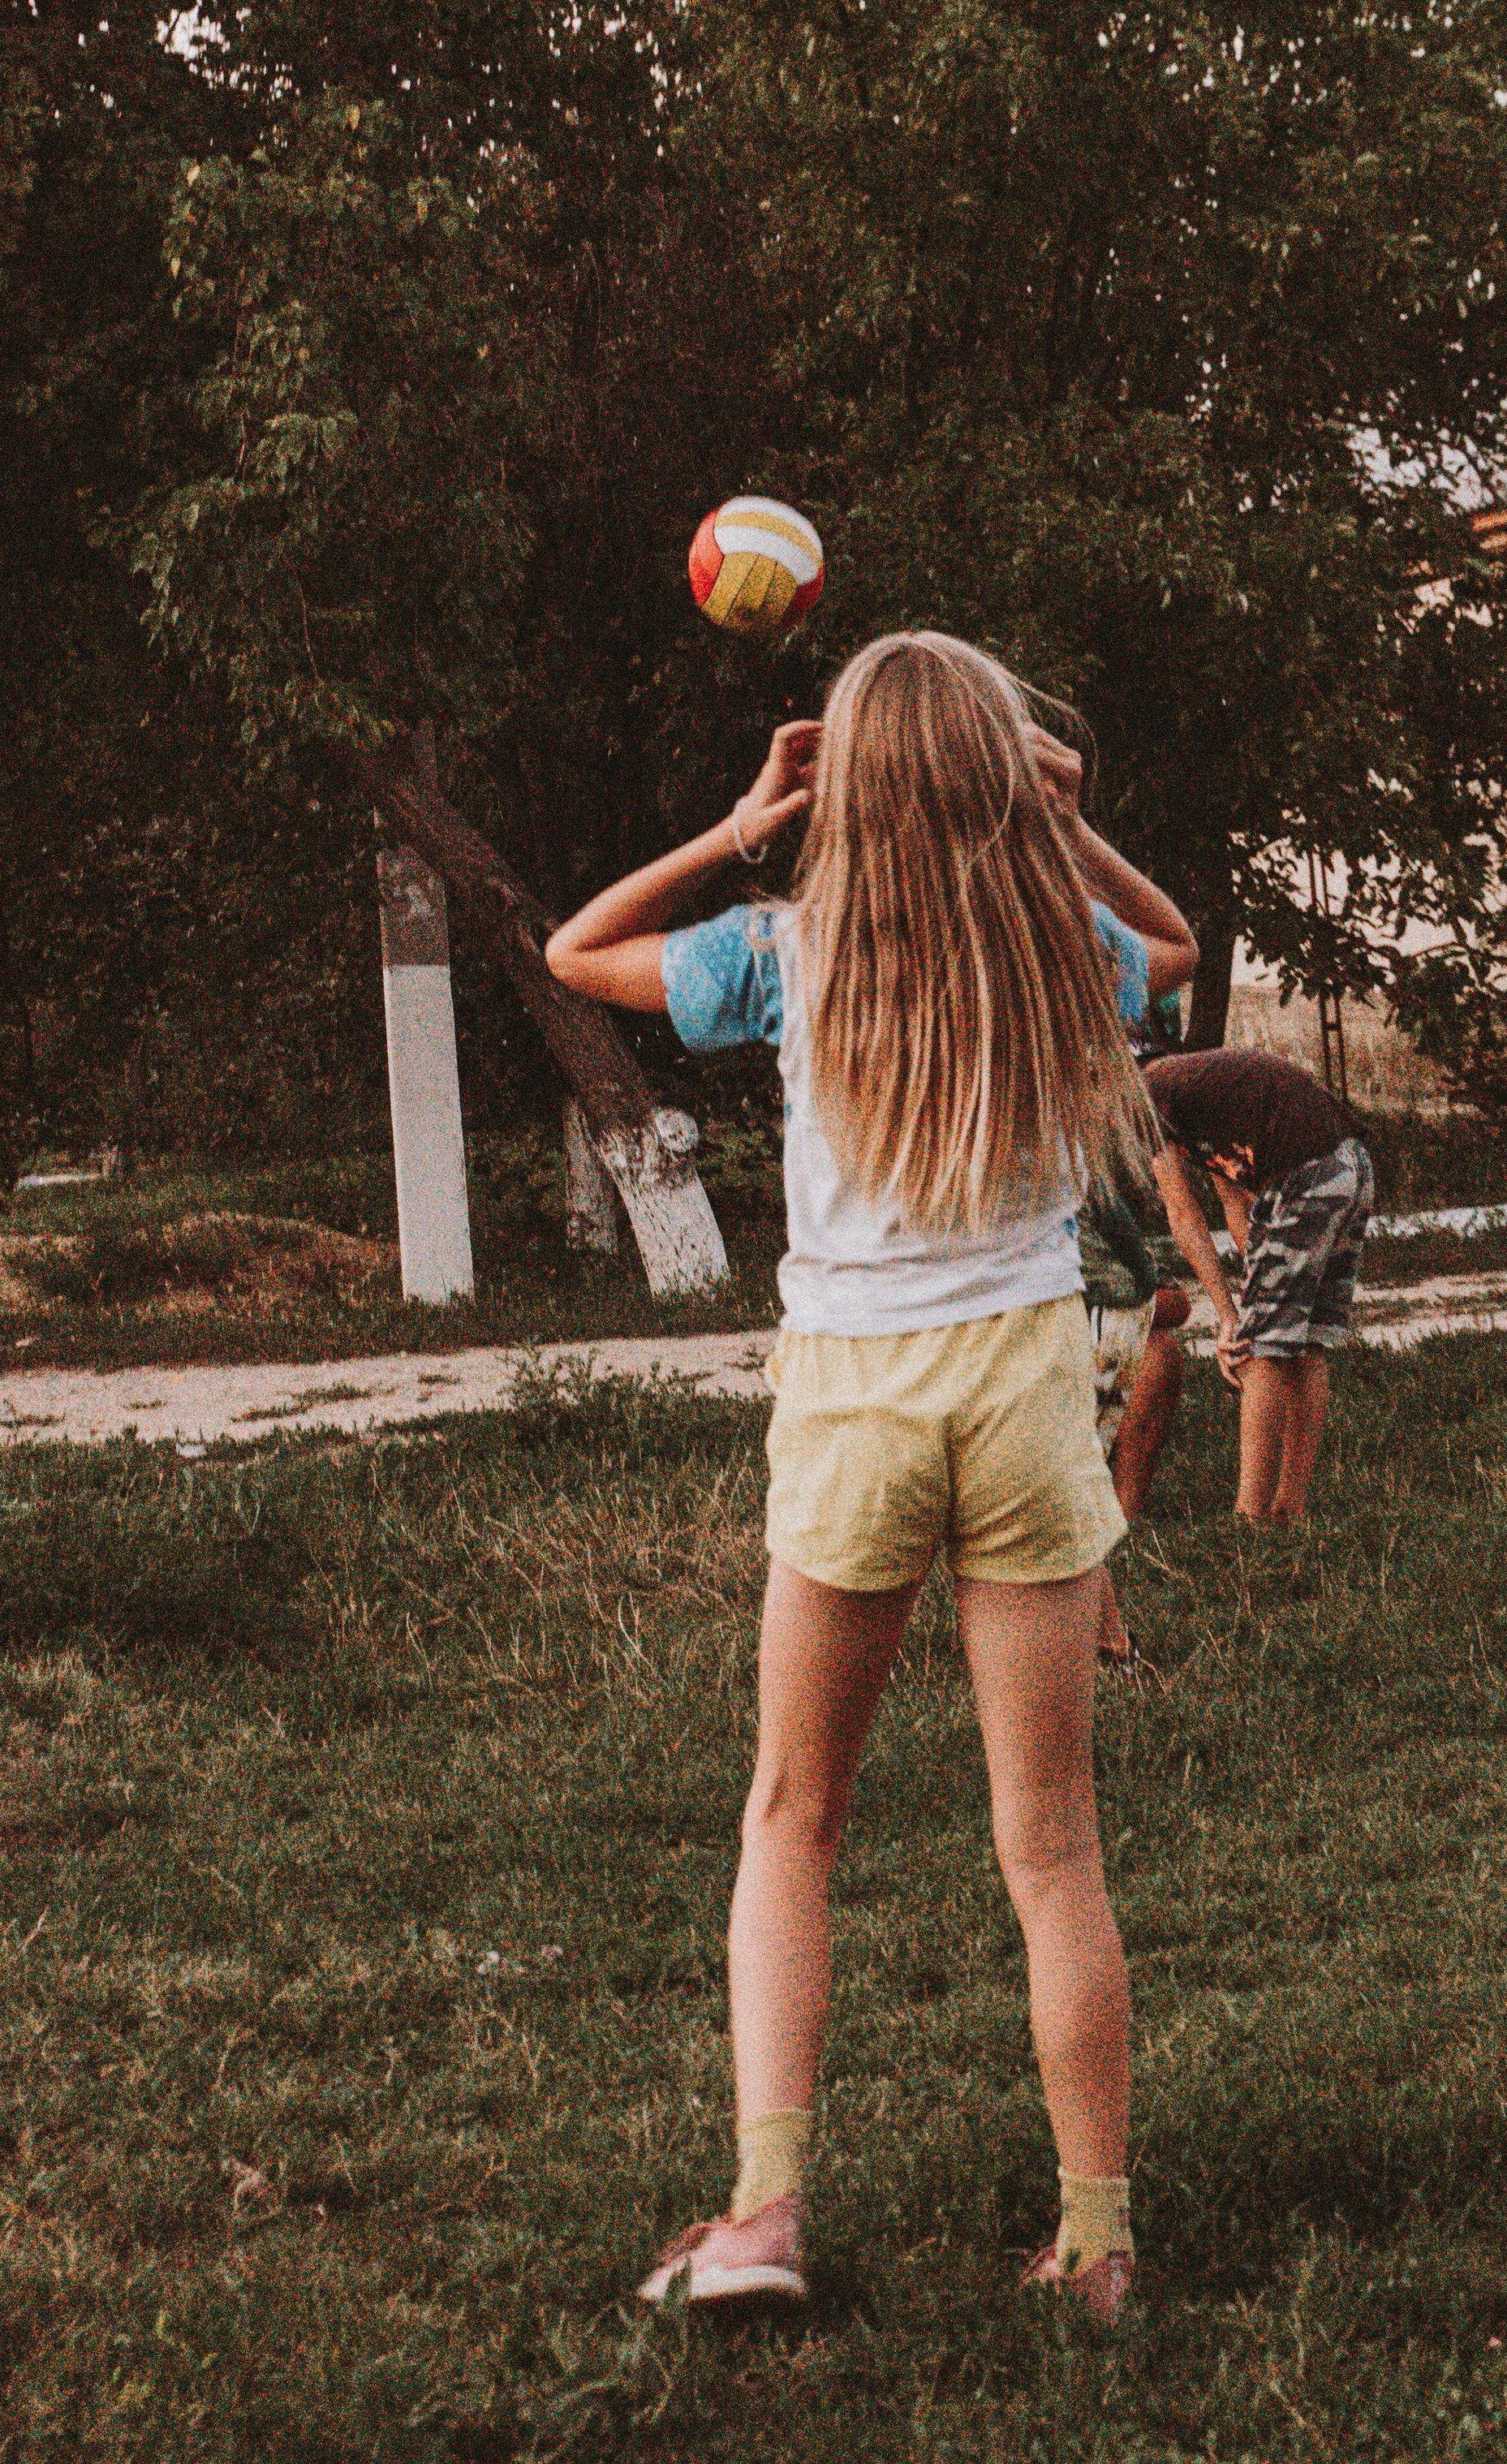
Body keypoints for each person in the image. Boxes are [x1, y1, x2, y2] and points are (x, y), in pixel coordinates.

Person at [545, 635, 1198, 2324]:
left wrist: (743, 823)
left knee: (793, 1813)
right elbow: (1180, 952)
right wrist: (1066, 822)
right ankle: (1099, 2242)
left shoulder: (782, 947)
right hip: (1026, 1397)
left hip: (853, 1409)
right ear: (1004, 771)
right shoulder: (1067, 946)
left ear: (844, 783)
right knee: (1049, 1847)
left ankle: (762, 2215)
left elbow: (574, 949)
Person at [1143, 1048, 1373, 1527]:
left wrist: (1237, 1321)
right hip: (1351, 1166)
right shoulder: (1187, 1095)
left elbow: (1184, 1215)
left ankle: (1250, 1521)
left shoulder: (1142, 1101)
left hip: (1307, 1173)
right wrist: (1245, 1302)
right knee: (1305, 1343)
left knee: (1260, 1350)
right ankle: (1289, 1510)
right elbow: (1236, 1200)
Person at [1078, 1166, 1186, 1674]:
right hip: (1075, 1313)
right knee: (1060, 1487)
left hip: (1083, 1314)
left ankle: (1111, 1645)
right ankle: (1112, 1645)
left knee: (1060, 1491)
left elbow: (1168, 1296)